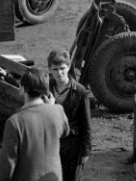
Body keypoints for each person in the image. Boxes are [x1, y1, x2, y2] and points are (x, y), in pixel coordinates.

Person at [0, 67, 69, 181]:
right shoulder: (58, 111)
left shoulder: (14, 122)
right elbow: (65, 132)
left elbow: (7, 165)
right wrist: (51, 107)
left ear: (24, 89)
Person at [48, 50, 91, 181]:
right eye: (55, 69)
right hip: (51, 144)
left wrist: (85, 151)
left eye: (62, 68)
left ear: (68, 67)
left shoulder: (80, 92)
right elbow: (28, 92)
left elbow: (86, 124)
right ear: (50, 68)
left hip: (72, 146)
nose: (59, 73)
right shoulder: (46, 88)